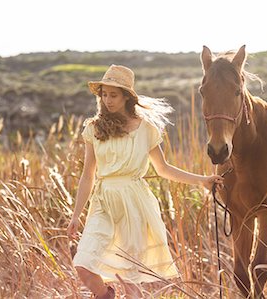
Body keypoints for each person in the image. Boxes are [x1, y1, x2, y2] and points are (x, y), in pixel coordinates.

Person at [66, 64, 224, 299]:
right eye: (104, 95)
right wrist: (76, 215)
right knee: (83, 265)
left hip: (134, 203)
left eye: (114, 95)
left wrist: (202, 180)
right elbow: (88, 174)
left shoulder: (145, 129)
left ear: (127, 97)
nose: (107, 100)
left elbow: (163, 169)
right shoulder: (94, 128)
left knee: (131, 280)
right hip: (103, 203)